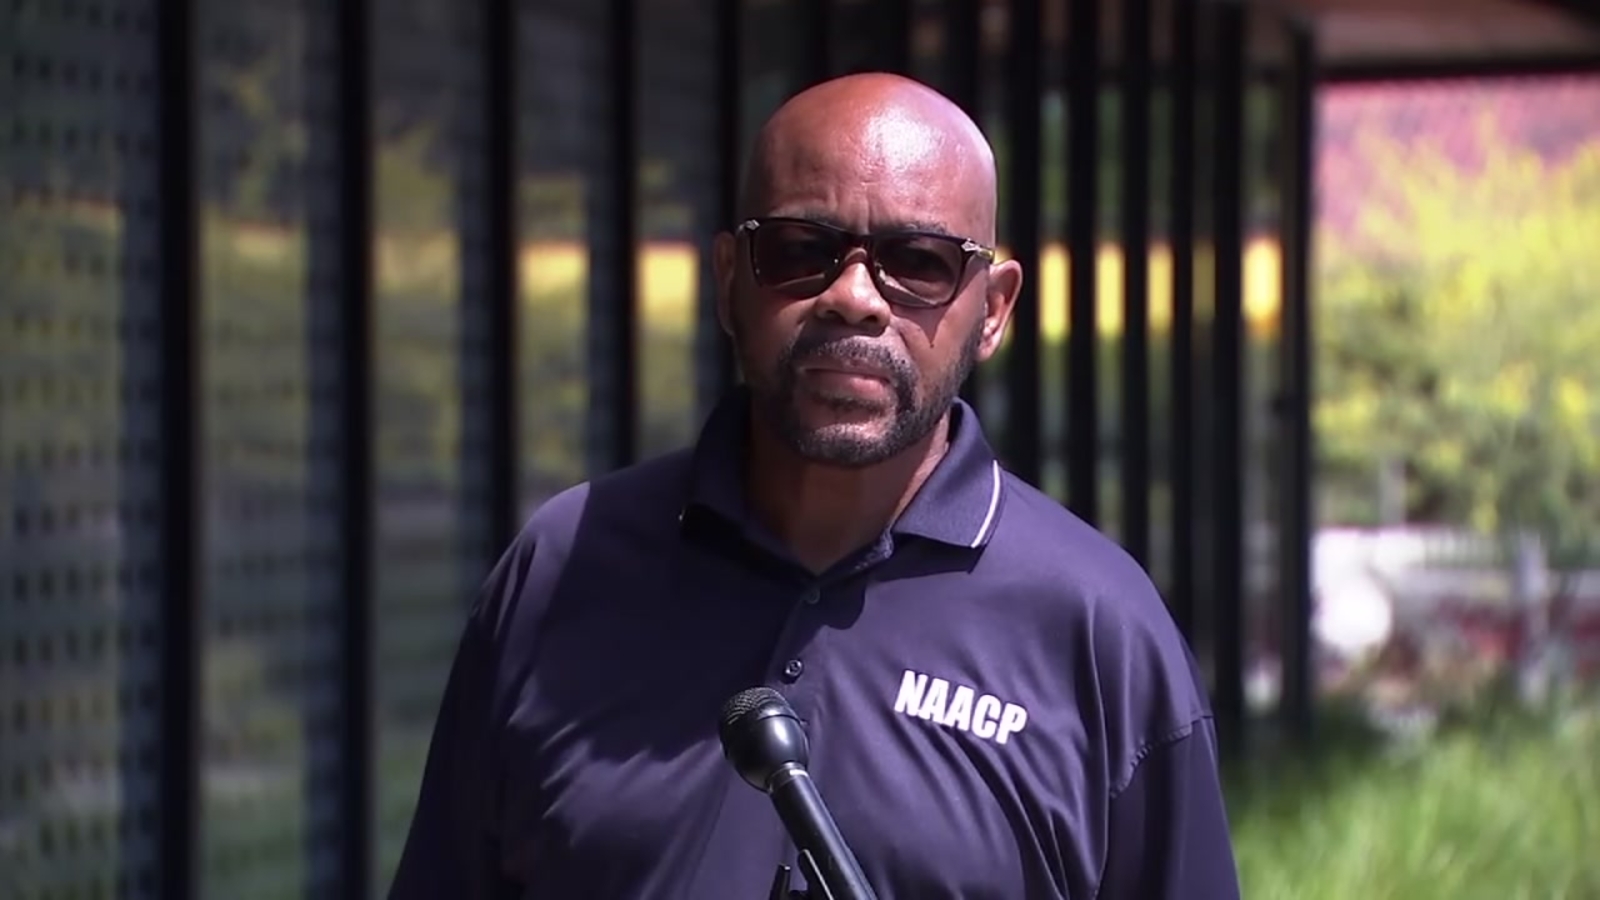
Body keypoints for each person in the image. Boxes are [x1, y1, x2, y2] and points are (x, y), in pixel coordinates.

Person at [387, 72, 1240, 899]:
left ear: (992, 310)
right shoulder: (564, 569)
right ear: (729, 280)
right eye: (800, 251)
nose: (854, 297)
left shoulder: (1097, 628)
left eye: (920, 261)